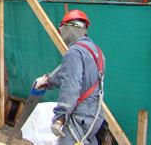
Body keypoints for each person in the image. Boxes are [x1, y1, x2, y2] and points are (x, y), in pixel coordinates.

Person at [34, 9, 106, 145]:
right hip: (95, 114)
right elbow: (69, 75)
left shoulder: (74, 52)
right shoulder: (97, 52)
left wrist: (60, 116)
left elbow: (71, 85)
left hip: (80, 115)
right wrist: (48, 80)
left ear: (68, 28)